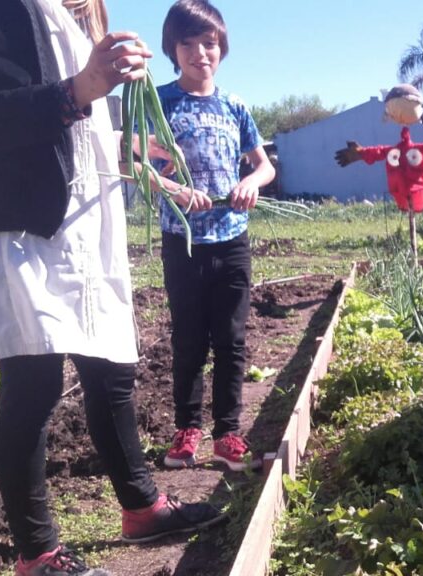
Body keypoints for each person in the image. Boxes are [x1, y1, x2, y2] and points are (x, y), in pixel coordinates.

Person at [0, 1, 224, 574]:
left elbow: (84, 124)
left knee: (113, 371)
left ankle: (142, 507)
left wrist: (133, 146)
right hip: (27, 224)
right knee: (34, 382)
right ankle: (38, 554)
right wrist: (83, 87)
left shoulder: (79, 16)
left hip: (91, 218)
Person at [152, 0, 275, 473]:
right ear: (173, 49)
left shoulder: (235, 105)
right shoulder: (159, 102)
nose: (200, 53)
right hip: (181, 240)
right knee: (187, 337)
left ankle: (227, 433)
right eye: (189, 43)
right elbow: (135, 164)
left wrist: (250, 182)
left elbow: (265, 165)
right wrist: (175, 189)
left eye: (209, 43)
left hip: (231, 239)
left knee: (231, 338)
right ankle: (187, 430)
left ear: (221, 48)